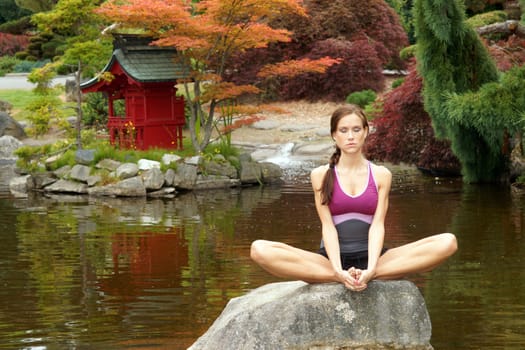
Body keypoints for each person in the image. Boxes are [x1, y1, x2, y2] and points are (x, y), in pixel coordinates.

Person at [250, 104, 457, 292]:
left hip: (376, 259)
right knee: (259, 249)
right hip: (330, 261)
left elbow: (378, 226)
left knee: (448, 242)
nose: (351, 136)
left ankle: (370, 275)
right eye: (344, 130)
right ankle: (337, 277)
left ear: (365, 132)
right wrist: (338, 270)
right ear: (334, 135)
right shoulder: (320, 175)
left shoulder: (381, 175)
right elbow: (328, 227)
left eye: (356, 130)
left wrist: (372, 268)